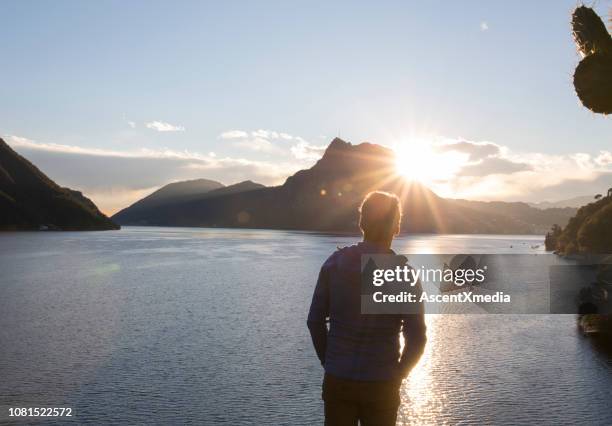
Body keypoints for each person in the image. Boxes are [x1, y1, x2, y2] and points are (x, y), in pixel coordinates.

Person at [307, 191, 427, 426]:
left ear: (362, 223)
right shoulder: (404, 275)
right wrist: (399, 374)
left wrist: (329, 361)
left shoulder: (334, 263)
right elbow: (417, 337)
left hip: (338, 379)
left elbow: (315, 321)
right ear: (397, 227)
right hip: (382, 383)